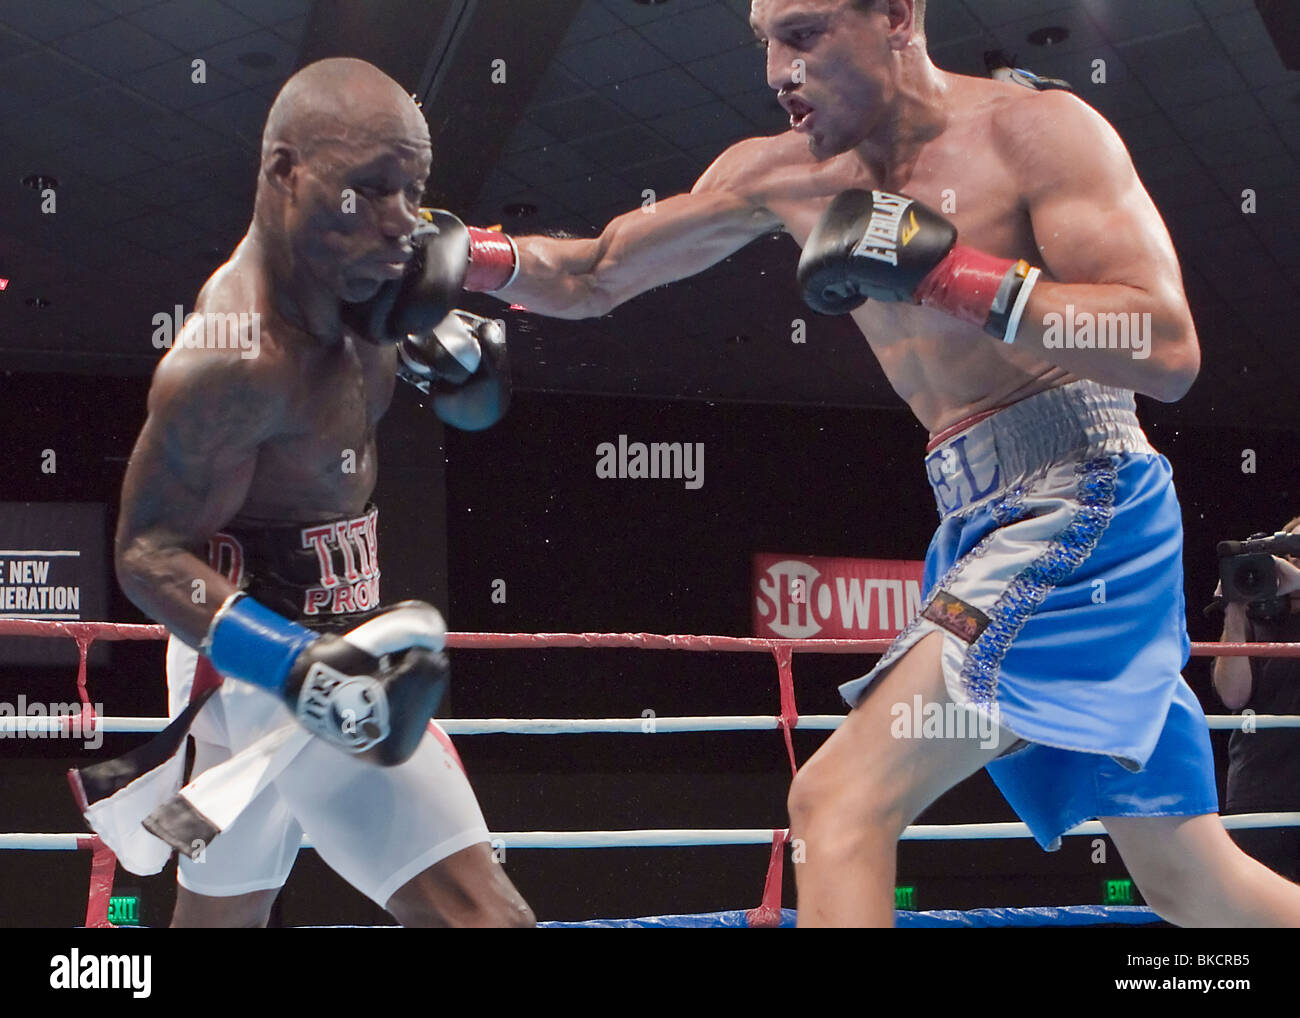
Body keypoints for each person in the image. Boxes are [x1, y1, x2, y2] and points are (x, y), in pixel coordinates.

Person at [452, 0, 1300, 926]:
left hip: (1086, 504)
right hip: (977, 519)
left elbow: (1165, 349)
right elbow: (592, 272)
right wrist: (463, 258)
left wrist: (950, 273)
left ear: (897, 16)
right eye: (766, 41)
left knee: (837, 802)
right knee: (1193, 883)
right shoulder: (778, 172)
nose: (778, 69)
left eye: (805, 35)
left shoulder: (1038, 134)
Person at [79, 57, 532, 928]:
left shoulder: (379, 272)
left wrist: (464, 366)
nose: (405, 220)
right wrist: (295, 668)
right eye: (372, 187)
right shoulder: (232, 357)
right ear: (286, 172)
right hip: (262, 661)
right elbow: (144, 555)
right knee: (488, 920)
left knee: (221, 922)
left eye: (415, 188)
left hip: (333, 644)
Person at [1212, 516, 1300, 883]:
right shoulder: (1256, 619)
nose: (1293, 563)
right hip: (1259, 788)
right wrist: (1234, 608)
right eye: (1290, 554)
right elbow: (1234, 695)